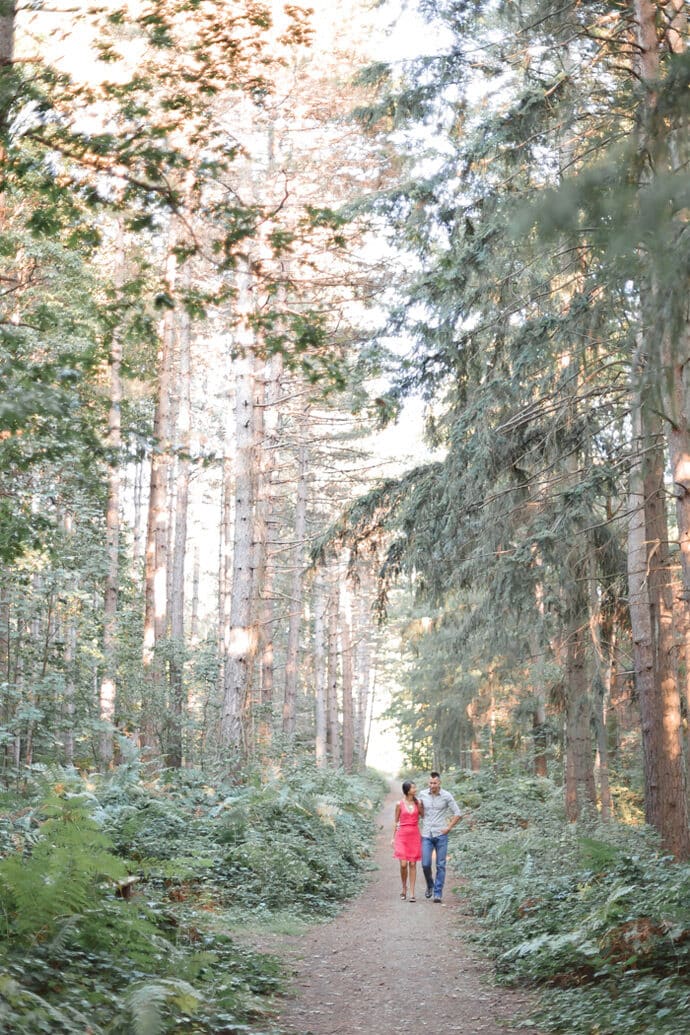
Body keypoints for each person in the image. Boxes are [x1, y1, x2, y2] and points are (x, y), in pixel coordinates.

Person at [418, 771, 462, 903]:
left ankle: (438, 893)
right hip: (426, 834)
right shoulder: (422, 794)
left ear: (439, 783)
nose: (432, 785)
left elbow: (458, 813)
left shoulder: (446, 796)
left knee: (440, 865)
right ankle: (430, 884)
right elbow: (421, 813)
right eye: (430, 783)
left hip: (441, 834)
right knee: (425, 864)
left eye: (435, 783)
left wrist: (449, 828)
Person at [391, 780, 424, 902]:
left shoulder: (418, 803)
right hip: (402, 836)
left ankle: (412, 892)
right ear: (407, 790)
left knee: (413, 864)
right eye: (413, 788)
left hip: (414, 835)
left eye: (415, 787)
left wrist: (421, 806)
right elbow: (396, 821)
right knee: (403, 864)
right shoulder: (399, 804)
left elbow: (424, 815)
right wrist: (393, 837)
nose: (415, 789)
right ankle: (404, 887)